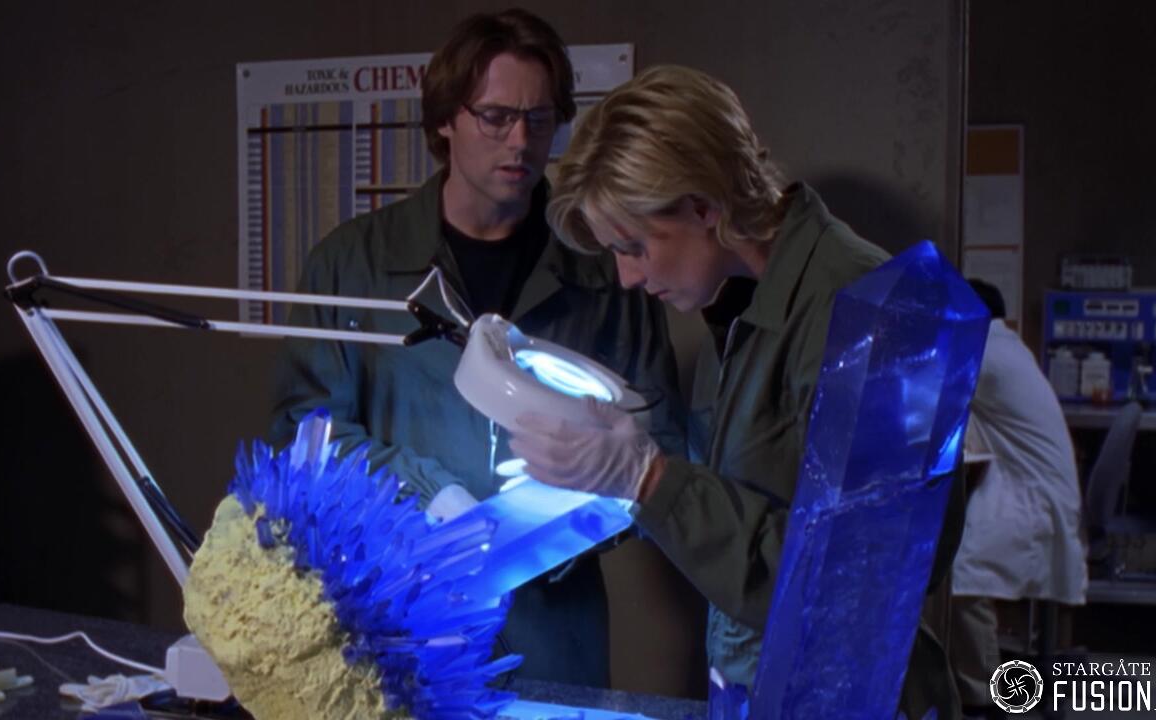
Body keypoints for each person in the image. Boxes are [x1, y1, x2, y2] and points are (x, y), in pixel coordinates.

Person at [509, 64, 962, 718]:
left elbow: (854, 592)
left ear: (703, 206)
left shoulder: (877, 314)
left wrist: (650, 480)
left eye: (634, 246)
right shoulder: (744, 309)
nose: (627, 277)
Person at [268, 9, 684, 688]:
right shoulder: (353, 266)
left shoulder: (608, 269)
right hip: (404, 614)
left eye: (540, 120)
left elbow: (662, 443)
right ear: (444, 120)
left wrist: (566, 527)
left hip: (554, 629)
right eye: (495, 117)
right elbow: (303, 433)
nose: (520, 141)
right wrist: (431, 496)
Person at [950, 280, 1087, 715]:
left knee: (962, 575)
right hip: (1030, 489)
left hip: (1034, 501)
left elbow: (927, 390)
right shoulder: (1008, 347)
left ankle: (984, 694)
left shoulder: (985, 351)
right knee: (960, 565)